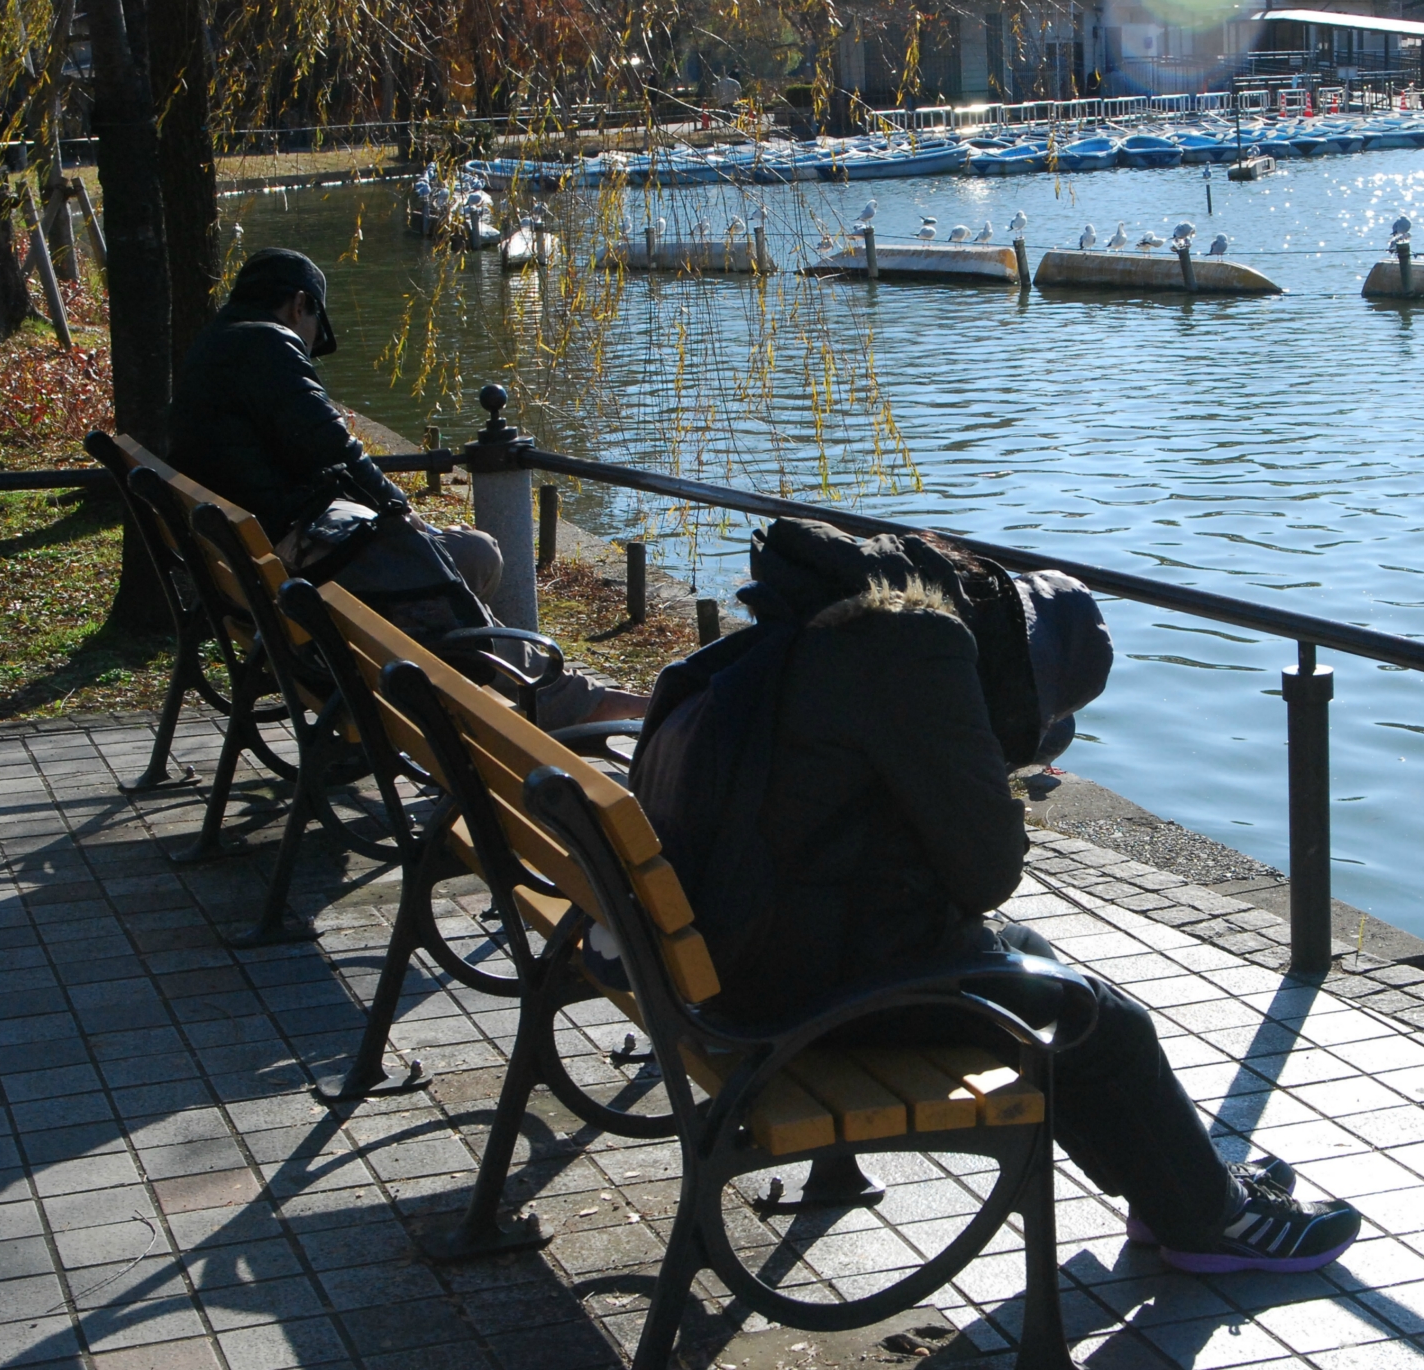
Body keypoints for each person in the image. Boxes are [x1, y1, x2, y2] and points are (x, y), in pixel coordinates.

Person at [624, 518, 1362, 1275]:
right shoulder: (917, 651)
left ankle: (1175, 1184)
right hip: (784, 993)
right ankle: (1212, 1223)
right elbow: (987, 875)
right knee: (1101, 1020)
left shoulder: (817, 619)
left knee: (1035, 957)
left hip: (718, 952)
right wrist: (998, 778)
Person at [167, 248, 641, 729]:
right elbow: (332, 445)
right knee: (457, 559)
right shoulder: (266, 345)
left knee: (477, 551)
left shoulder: (214, 347)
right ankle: (558, 700)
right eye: (316, 328)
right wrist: (401, 512)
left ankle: (529, 687)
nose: (311, 345)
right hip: (308, 569)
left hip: (267, 578)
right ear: (298, 305)